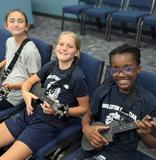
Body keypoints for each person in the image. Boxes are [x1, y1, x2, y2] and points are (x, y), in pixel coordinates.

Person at [0, 31, 89, 159]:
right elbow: (29, 82)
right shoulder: (52, 65)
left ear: (76, 52)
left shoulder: (78, 78)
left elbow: (84, 109)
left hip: (47, 124)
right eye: (61, 44)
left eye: (69, 46)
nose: (64, 48)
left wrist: (59, 109)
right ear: (56, 46)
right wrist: (25, 94)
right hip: (31, 112)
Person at [65, 44, 156, 160]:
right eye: (115, 70)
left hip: (120, 153)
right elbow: (88, 112)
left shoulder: (148, 102)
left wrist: (144, 133)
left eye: (128, 68)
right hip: (93, 144)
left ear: (138, 69)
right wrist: (86, 128)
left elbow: (153, 144)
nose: (121, 74)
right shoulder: (105, 89)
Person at [0, 9, 41, 110]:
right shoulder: (9, 41)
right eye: (12, 21)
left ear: (26, 26)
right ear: (6, 25)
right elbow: (9, 60)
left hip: (15, 95)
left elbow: (34, 82)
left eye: (20, 21)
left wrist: (13, 86)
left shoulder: (31, 51)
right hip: (4, 85)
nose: (16, 24)